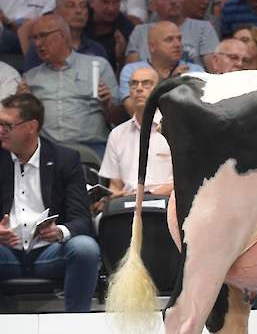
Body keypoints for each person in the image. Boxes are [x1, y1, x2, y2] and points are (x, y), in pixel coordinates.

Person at [0, 93, 101, 313]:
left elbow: (82, 220)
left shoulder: (65, 159)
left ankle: (75, 322)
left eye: (7, 125)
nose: (0, 131)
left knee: (85, 248)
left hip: (49, 252)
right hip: (5, 252)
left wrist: (60, 231)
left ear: (31, 127)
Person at [19, 14, 122, 157]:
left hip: (91, 148)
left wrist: (108, 104)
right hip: (47, 151)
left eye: (43, 36)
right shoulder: (31, 77)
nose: (37, 44)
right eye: (34, 38)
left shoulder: (98, 66)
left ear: (62, 35)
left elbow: (119, 119)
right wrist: (24, 105)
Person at [100, 67, 173, 198]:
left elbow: (182, 181)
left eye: (146, 83)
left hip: (164, 204)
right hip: (127, 206)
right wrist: (114, 195)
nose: (139, 88)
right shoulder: (117, 134)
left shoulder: (174, 129)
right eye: (134, 84)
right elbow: (115, 184)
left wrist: (147, 195)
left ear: (159, 90)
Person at [126, 0, 220, 72]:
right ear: (152, 5)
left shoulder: (203, 28)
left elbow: (216, 71)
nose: (173, 1)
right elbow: (131, 74)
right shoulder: (139, 32)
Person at [19, 0, 110, 72]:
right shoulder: (42, 49)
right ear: (56, 12)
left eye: (83, 6)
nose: (78, 11)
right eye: (71, 6)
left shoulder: (97, 49)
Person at [119, 21, 206, 93]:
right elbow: (133, 109)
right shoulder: (132, 71)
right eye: (169, 40)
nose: (178, 44)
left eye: (179, 38)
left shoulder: (195, 71)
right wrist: (168, 83)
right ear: (152, 46)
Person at [83, 0, 135, 75]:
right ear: (91, 2)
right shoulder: (80, 21)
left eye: (116, 2)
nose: (111, 8)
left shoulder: (126, 29)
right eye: (105, 2)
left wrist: (121, 57)